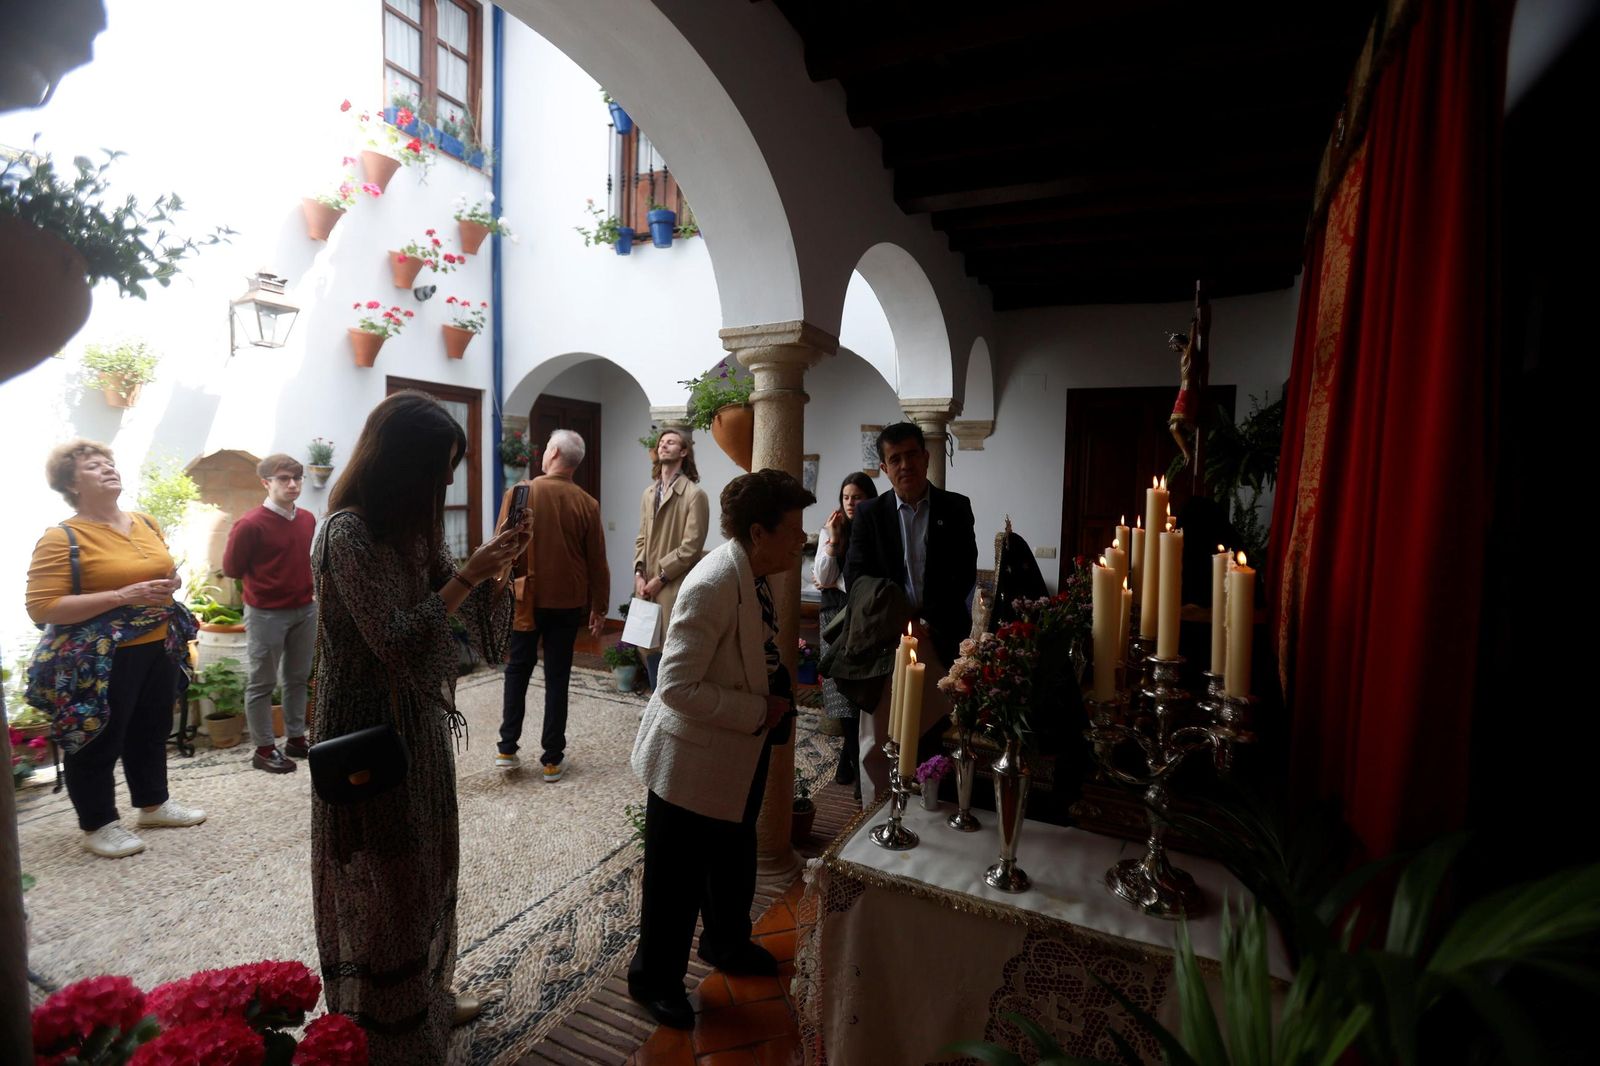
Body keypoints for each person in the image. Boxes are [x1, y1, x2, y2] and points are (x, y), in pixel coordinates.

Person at [310, 391, 529, 1061]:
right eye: (439, 470)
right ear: (402, 465)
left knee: (428, 865)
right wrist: (470, 575)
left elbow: (475, 629)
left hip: (419, 721)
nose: (446, 484)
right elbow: (396, 638)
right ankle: (383, 1026)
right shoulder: (345, 534)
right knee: (382, 879)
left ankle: (426, 995)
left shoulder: (414, 530)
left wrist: (499, 573)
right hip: (363, 728)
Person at [627, 469, 814, 1030]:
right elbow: (675, 687)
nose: (801, 540)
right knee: (675, 881)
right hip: (690, 760)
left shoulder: (753, 572)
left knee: (731, 859)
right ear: (759, 533)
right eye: (793, 530)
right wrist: (757, 711)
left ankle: (726, 943)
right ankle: (654, 980)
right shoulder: (711, 583)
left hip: (733, 751)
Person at [24, 440, 206, 859]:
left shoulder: (145, 522)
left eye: (109, 462)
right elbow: (42, 606)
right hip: (100, 658)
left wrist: (171, 584)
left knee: (151, 728)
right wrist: (123, 595)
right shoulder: (62, 537)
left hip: (158, 642)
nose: (108, 468)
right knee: (96, 737)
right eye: (93, 466)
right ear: (71, 484)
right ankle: (98, 824)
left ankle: (153, 805)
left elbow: (159, 573)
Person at [845, 422, 978, 802]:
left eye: (911, 455)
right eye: (895, 459)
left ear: (926, 457)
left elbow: (963, 573)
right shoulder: (870, 514)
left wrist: (926, 623)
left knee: (936, 730)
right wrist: (904, 622)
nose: (905, 465)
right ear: (884, 468)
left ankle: (933, 806)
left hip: (940, 636)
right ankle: (877, 810)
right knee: (880, 735)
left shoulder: (956, 508)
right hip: (886, 640)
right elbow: (857, 577)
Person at [494, 428, 609, 782]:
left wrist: (494, 594)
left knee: (518, 670)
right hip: (567, 601)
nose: (544, 452)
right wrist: (600, 606)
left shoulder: (521, 493)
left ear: (555, 453)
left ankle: (507, 749)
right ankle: (552, 760)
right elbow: (597, 561)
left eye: (546, 447)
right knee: (558, 677)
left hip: (526, 598)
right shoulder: (587, 503)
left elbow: (500, 546)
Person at [221, 453, 317, 774]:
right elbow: (232, 568)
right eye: (284, 479)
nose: (292, 485)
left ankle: (296, 739)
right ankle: (264, 749)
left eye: (297, 478)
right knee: (262, 682)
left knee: (297, 678)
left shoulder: (307, 519)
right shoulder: (250, 524)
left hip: (305, 609)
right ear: (266, 483)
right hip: (266, 613)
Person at [813, 471, 878, 789]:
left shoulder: (876, 531)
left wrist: (834, 581)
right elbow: (822, 576)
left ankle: (854, 767)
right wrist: (833, 542)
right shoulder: (832, 529)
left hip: (862, 619)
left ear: (870, 499)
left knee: (858, 696)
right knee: (839, 697)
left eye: (858, 497)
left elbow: (856, 583)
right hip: (832, 619)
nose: (850, 503)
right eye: (846, 497)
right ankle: (854, 766)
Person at [633, 427, 709, 688]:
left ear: (684, 452)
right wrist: (639, 573)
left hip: (672, 585)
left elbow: (691, 546)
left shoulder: (694, 495)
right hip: (646, 585)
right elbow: (641, 537)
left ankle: (667, 704)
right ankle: (656, 701)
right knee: (646, 646)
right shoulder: (648, 494)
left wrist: (661, 578)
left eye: (671, 442)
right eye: (661, 442)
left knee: (670, 649)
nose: (663, 445)